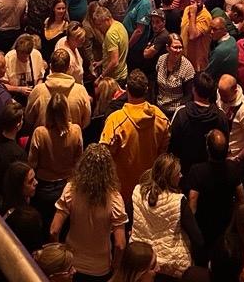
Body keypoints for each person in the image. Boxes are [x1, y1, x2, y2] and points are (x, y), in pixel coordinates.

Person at [50, 143, 128, 281]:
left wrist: (61, 258)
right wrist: (116, 268)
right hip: (100, 268)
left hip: (72, 264)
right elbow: (120, 244)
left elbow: (54, 230)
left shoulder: (71, 189)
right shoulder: (115, 199)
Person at [101, 69, 169, 204]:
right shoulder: (162, 118)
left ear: (126, 89)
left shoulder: (115, 121)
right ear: (147, 89)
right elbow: (162, 155)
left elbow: (104, 157)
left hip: (121, 192)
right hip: (148, 190)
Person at [132, 153, 202, 276]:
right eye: (178, 173)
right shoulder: (178, 201)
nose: (181, 176)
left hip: (141, 262)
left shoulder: (138, 192)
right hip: (171, 265)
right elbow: (197, 239)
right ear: (169, 177)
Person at [29, 92, 83, 227]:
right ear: (66, 111)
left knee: (46, 227)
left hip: (43, 188)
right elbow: (79, 161)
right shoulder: (76, 130)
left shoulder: (39, 133)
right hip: (67, 187)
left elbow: (32, 163)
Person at [188, 128, 244, 249]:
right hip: (226, 222)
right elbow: (241, 198)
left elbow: (192, 203)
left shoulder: (197, 171)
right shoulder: (233, 168)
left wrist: (192, 232)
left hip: (203, 224)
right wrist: (234, 223)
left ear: (208, 149)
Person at [169, 70, 229, 183]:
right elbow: (224, 148)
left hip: (185, 175)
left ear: (194, 89)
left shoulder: (181, 114)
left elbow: (172, 146)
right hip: (212, 177)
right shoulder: (221, 116)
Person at [25, 48, 91, 130]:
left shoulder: (38, 90)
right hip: (72, 140)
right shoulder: (80, 90)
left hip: (44, 140)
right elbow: (86, 121)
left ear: (51, 67)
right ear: (69, 67)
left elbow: (29, 118)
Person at [155, 33, 195, 119]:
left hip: (175, 111)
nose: (178, 50)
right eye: (175, 47)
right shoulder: (161, 60)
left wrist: (178, 114)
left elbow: (188, 96)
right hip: (159, 107)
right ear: (167, 48)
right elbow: (155, 85)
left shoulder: (187, 67)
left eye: (180, 47)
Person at [93, 6, 129, 86]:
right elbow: (117, 53)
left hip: (114, 79)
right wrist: (101, 62)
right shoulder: (119, 25)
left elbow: (114, 62)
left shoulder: (110, 34)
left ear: (107, 20)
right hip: (123, 73)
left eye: (99, 24)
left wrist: (101, 77)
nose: (98, 28)